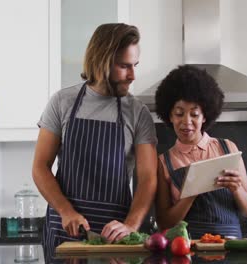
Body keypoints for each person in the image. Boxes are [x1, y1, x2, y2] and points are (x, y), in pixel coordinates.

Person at [32, 23, 158, 256]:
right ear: (102, 61)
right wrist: (65, 211)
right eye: (124, 66)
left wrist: (130, 226)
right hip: (65, 234)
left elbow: (148, 178)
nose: (133, 75)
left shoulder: (137, 112)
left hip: (115, 239)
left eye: (135, 66)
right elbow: (40, 167)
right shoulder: (62, 102)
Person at [154, 65, 247, 239]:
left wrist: (237, 189)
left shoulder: (227, 148)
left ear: (205, 116)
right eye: (179, 114)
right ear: (169, 116)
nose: (187, 122)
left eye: (194, 114)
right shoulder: (164, 162)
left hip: (231, 246)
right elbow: (164, 222)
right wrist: (191, 193)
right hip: (188, 248)